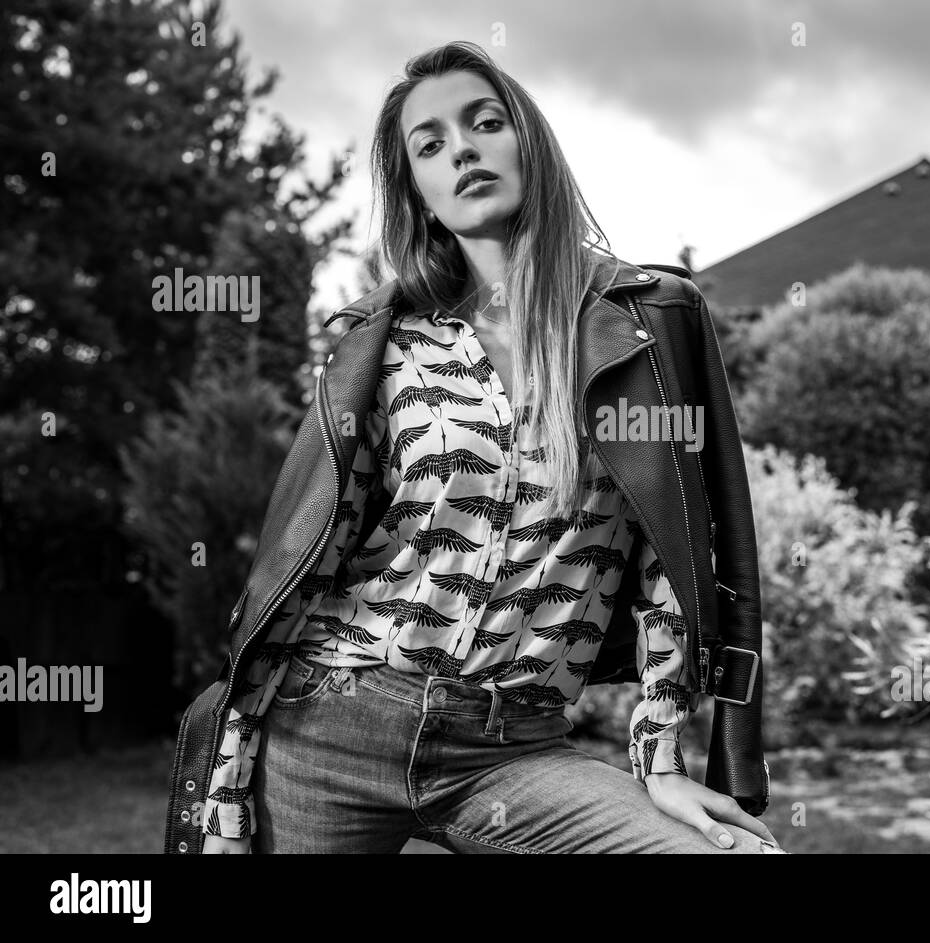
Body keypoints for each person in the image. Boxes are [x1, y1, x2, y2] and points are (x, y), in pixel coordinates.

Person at [201, 40, 782, 854]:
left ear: (528, 144)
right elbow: (305, 569)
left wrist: (661, 760)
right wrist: (227, 785)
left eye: (484, 122)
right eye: (430, 145)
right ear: (421, 194)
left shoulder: (647, 323)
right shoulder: (385, 345)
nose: (462, 149)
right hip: (332, 718)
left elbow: (669, 560)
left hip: (514, 745)